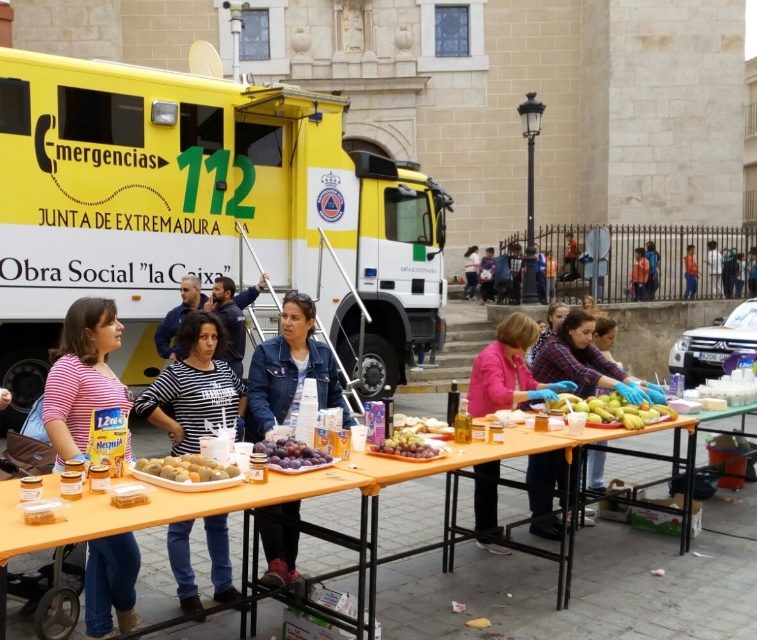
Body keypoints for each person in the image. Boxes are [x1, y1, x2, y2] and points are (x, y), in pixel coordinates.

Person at [133, 311, 245, 621]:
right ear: (190, 339)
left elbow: (243, 393)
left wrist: (238, 422)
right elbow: (143, 403)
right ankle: (187, 592)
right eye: (203, 337)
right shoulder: (177, 373)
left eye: (214, 337)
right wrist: (175, 426)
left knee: (218, 525)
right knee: (180, 529)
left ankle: (224, 586)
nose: (210, 343)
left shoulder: (223, 369)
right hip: (188, 467)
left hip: (220, 468)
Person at [42, 297, 140, 640]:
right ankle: (127, 608)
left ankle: (99, 629)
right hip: (87, 485)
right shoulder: (68, 367)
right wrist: (81, 465)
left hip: (114, 479)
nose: (120, 326)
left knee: (101, 555)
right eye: (111, 321)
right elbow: (53, 417)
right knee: (127, 558)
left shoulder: (103, 365)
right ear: (88, 332)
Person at [246, 291, 357, 586]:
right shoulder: (266, 352)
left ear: (310, 323)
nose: (287, 322)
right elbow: (255, 394)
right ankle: (277, 564)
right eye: (284, 315)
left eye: (295, 317)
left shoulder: (322, 355)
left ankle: (289, 567)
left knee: (293, 505)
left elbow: (335, 397)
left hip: (306, 445)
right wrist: (269, 425)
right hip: (272, 442)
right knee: (269, 502)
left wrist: (353, 427)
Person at [529, 309, 665, 540]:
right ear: (570, 330)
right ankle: (540, 519)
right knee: (545, 466)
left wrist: (637, 384)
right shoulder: (554, 346)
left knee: (571, 464)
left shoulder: (584, 345)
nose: (590, 338)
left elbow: (607, 365)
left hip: (571, 414)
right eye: (585, 332)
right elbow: (580, 371)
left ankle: (569, 510)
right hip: (540, 412)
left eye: (592, 333)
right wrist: (619, 387)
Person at [467, 312, 577, 554]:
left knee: (491, 476)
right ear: (518, 339)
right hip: (484, 424)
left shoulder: (515, 357)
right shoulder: (490, 358)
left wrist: (551, 387)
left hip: (504, 422)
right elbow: (498, 394)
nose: (526, 349)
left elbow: (528, 383)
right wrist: (535, 395)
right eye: (526, 342)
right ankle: (486, 533)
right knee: (487, 478)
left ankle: (493, 530)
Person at [588, 316, 621, 493]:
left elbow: (615, 370)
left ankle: (596, 483)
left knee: (601, 444)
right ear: (596, 336)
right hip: (588, 404)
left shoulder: (602, 352)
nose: (613, 341)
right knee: (586, 449)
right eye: (610, 337)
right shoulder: (586, 353)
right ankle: (579, 489)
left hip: (603, 404)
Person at [154, 275, 209, 362]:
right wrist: (169, 353)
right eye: (181, 290)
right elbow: (160, 336)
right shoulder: (175, 314)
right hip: (183, 366)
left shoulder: (213, 309)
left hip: (209, 366)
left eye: (186, 290)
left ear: (197, 290)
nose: (182, 293)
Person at [203, 276, 246, 379]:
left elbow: (203, 329)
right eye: (213, 289)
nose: (213, 292)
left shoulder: (226, 314)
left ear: (227, 293)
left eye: (217, 289)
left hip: (225, 367)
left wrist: (206, 313)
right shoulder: (236, 310)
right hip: (235, 365)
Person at [526, 302, 569, 367]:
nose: (563, 320)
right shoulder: (543, 337)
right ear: (550, 318)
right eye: (559, 317)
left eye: (566, 316)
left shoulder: (573, 335)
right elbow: (534, 360)